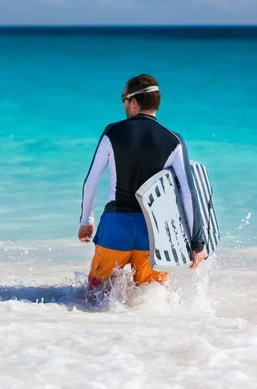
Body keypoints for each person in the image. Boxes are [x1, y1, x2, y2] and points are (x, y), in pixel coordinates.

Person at [78, 74, 206, 292]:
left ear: (134, 102)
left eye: (123, 99)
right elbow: (188, 193)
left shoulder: (112, 132)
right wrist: (197, 242)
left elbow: (91, 182)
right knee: (149, 300)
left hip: (115, 228)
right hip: (153, 233)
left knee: (94, 298)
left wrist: (86, 220)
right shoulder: (174, 140)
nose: (123, 105)